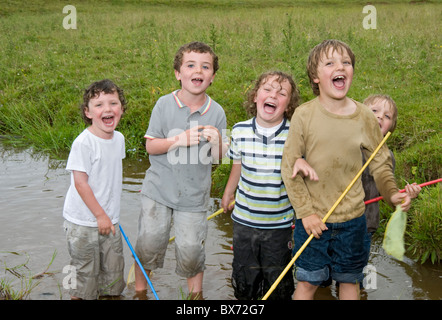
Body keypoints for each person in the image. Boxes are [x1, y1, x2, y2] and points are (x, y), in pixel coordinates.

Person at [281, 39, 411, 300]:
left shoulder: (364, 116)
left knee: (349, 283)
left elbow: (380, 163)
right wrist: (306, 213)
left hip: (354, 222)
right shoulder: (304, 115)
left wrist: (393, 193)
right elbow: (289, 167)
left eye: (346, 62)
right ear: (316, 77)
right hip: (313, 222)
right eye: (330, 63)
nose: (340, 67)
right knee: (307, 283)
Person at [134, 41, 228, 300]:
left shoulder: (217, 112)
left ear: (212, 76)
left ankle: (195, 299)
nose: (198, 71)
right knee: (149, 242)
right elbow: (151, 147)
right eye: (190, 65)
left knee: (190, 250)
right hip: (158, 191)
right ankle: (139, 292)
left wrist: (218, 142)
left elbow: (220, 158)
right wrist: (179, 139)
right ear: (178, 73)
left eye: (205, 66)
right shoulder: (164, 104)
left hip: (194, 196)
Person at [221, 71, 299, 300]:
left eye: (281, 93)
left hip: (280, 224)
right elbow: (237, 166)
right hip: (244, 221)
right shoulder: (239, 130)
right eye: (267, 89)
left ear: (288, 105)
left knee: (278, 282)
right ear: (256, 96)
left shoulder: (294, 134)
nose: (273, 95)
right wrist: (228, 192)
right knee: (245, 279)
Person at [63, 79, 127, 300]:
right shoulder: (83, 143)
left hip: (110, 221)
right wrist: (100, 215)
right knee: (82, 275)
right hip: (83, 223)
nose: (107, 109)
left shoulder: (119, 139)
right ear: (87, 112)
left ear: (121, 109)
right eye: (99, 105)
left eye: (113, 103)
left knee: (113, 275)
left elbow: (109, 175)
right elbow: (81, 183)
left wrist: (109, 214)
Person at [362, 94, 421, 235]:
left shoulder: (388, 157)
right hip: (332, 221)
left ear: (390, 128)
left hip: (365, 225)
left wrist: (402, 197)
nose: (380, 116)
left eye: (387, 116)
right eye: (374, 111)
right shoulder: (345, 143)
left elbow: (385, 191)